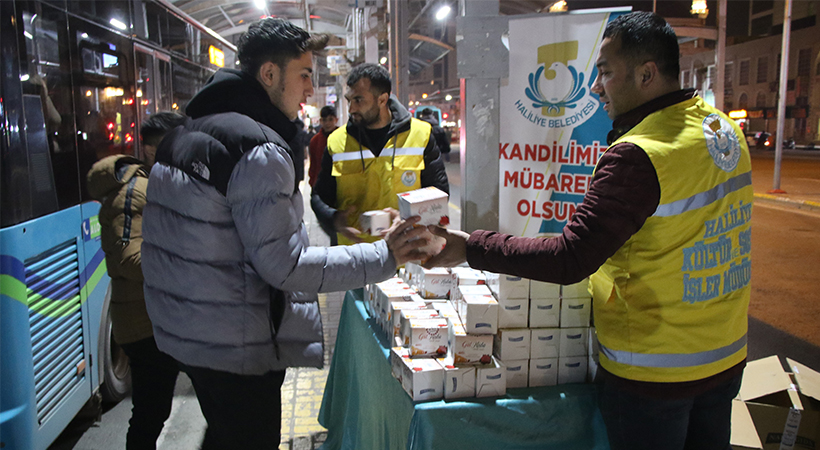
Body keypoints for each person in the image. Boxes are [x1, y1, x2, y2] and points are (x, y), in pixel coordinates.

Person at [424, 12, 752, 450]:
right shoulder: (722, 129)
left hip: (655, 372)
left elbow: (570, 258)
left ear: (647, 74)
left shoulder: (639, 156)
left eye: (606, 73)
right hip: (725, 355)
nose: (596, 88)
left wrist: (470, 247)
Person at [140, 18, 432, 450]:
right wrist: (384, 256)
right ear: (269, 75)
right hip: (236, 344)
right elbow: (288, 265)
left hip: (192, 333)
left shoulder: (190, 130)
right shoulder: (258, 149)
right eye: (305, 76)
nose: (310, 91)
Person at [86, 111, 186, 450]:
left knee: (155, 408)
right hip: (144, 324)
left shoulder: (156, 184)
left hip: (158, 318)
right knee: (150, 411)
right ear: (153, 151)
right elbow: (130, 259)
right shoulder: (132, 193)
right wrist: (186, 262)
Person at [311, 63, 449, 245]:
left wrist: (413, 219)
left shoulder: (420, 135)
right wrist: (334, 219)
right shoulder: (337, 141)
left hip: (406, 255)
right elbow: (319, 196)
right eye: (349, 100)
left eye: (358, 100)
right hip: (353, 257)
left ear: (382, 99)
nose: (351, 109)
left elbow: (439, 193)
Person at [308, 105, 338, 188]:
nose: (327, 123)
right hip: (320, 185)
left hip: (339, 184)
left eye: (330, 119)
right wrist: (313, 183)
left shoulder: (343, 138)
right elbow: (313, 164)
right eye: (324, 120)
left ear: (336, 120)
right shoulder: (315, 141)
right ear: (320, 121)